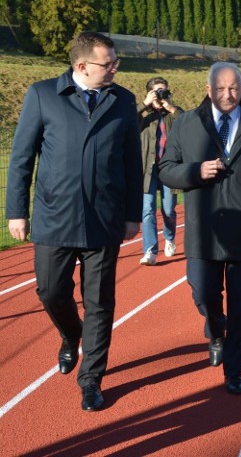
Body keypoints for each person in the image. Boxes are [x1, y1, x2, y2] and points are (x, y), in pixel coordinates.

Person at [6, 31, 143, 411]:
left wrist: (133, 214)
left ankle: (92, 380)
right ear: (81, 65)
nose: (115, 68)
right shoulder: (42, 94)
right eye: (108, 63)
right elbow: (21, 159)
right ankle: (71, 335)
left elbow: (133, 163)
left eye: (116, 62)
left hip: (105, 219)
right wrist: (17, 211)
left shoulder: (123, 101)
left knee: (100, 303)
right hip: (54, 217)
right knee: (50, 292)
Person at [158, 62, 241, 395]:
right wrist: (195, 171)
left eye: (233, 88)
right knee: (202, 291)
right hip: (202, 230)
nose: (227, 94)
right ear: (208, 90)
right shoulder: (187, 123)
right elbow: (165, 170)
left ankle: (235, 369)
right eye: (220, 88)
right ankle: (216, 330)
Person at [138, 77, 183, 265]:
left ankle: (170, 238)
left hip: (169, 168)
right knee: (147, 210)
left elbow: (190, 124)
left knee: (168, 210)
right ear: (149, 92)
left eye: (164, 90)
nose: (160, 94)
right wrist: (144, 104)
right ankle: (150, 251)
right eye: (157, 91)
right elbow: (125, 123)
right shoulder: (142, 114)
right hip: (147, 168)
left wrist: (171, 107)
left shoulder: (172, 113)